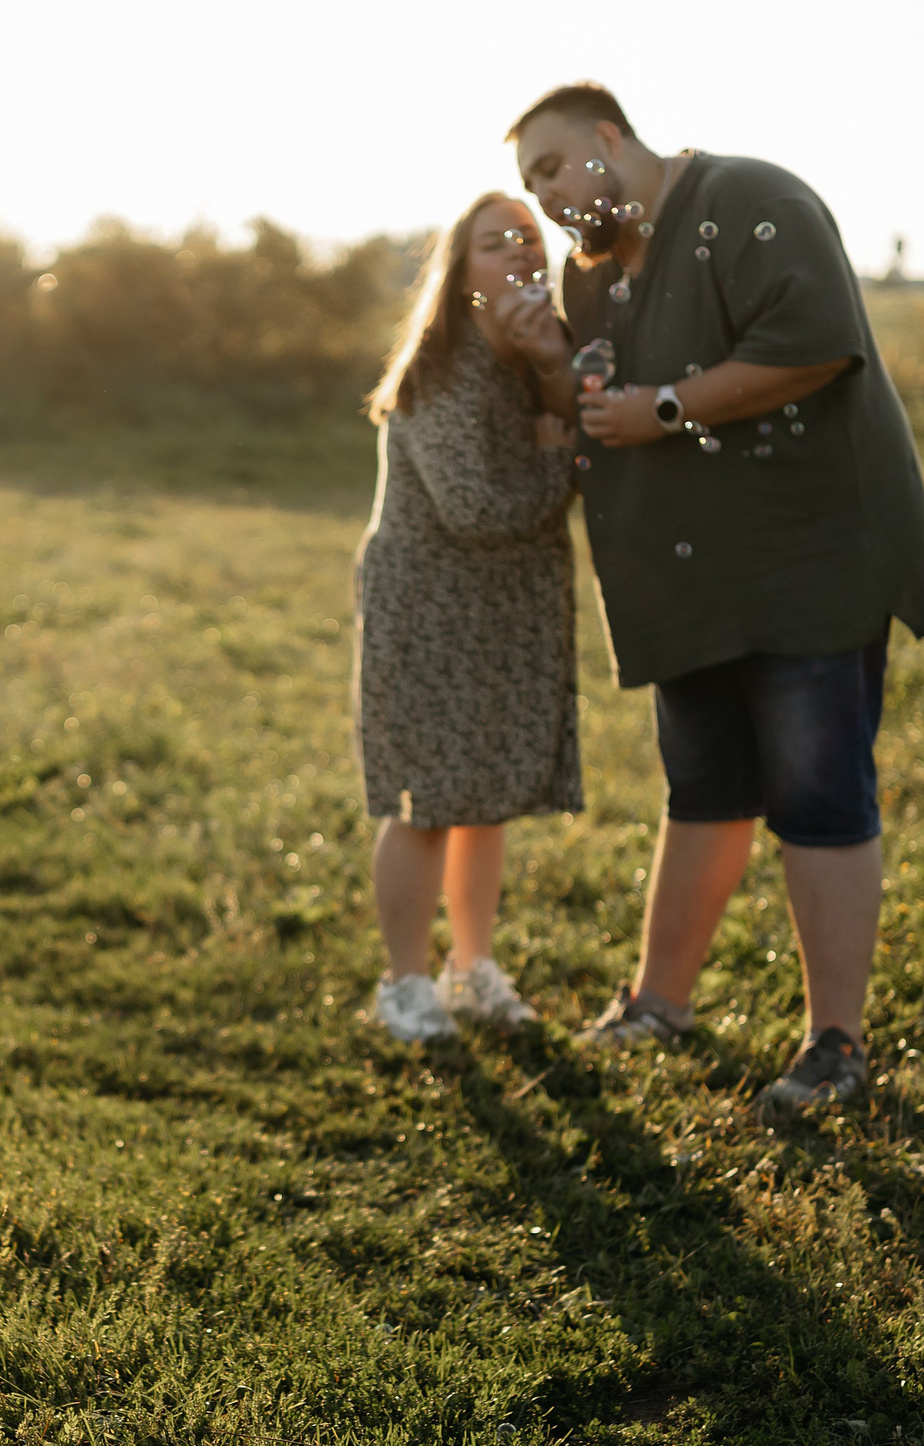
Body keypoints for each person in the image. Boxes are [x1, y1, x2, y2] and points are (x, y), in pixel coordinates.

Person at [505, 83, 924, 1109]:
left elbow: (816, 347)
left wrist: (666, 408)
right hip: (683, 580)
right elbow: (589, 403)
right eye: (531, 185)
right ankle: (660, 1002)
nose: (549, 197)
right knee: (700, 792)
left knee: (818, 798)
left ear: (609, 138)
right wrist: (546, 364)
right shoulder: (594, 278)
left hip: (805, 560)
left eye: (555, 166)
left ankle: (834, 1045)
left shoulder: (750, 199)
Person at [351, 191, 583, 1043]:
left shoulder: (529, 358)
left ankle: (471, 967)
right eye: (495, 243)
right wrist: (562, 460)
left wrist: (557, 378)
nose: (521, 251)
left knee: (483, 795)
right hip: (429, 608)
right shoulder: (439, 369)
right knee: (424, 801)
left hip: (502, 608)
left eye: (529, 237)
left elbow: (579, 419)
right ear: (460, 275)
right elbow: (479, 507)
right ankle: (405, 983)